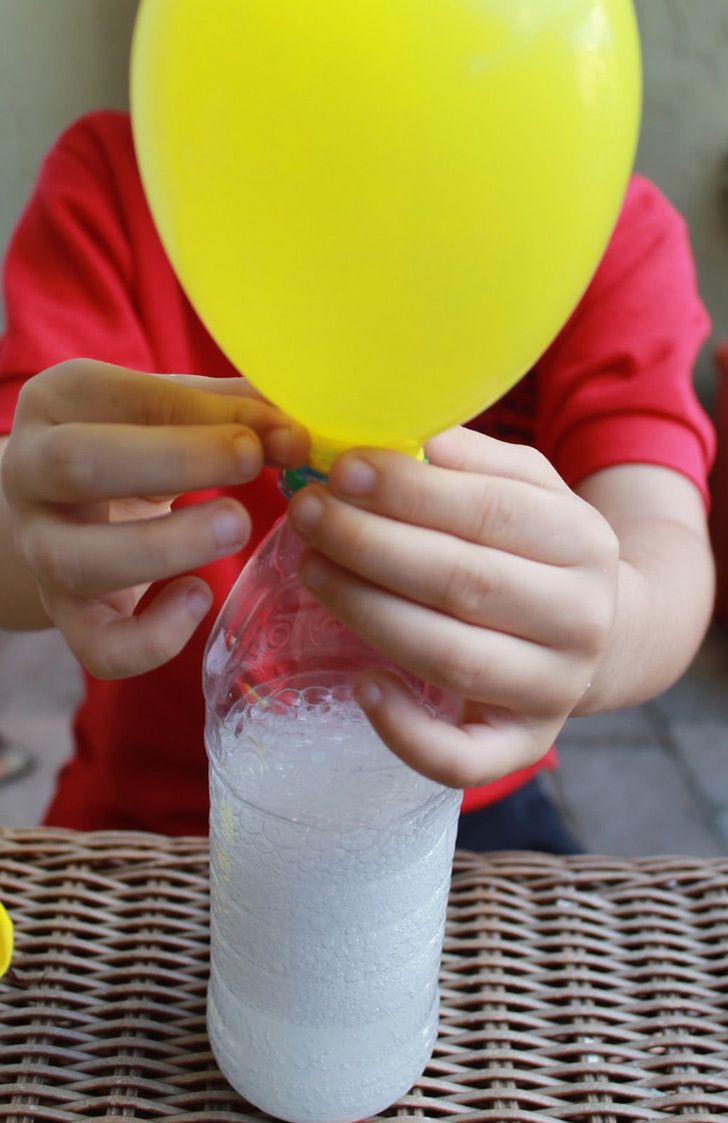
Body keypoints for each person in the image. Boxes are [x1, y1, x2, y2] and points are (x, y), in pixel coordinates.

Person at [0, 111, 715, 848]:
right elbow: (19, 505)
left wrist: (606, 628)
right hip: (153, 818)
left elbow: (664, 549)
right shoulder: (124, 176)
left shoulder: (598, 230)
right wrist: (42, 526)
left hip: (461, 805)